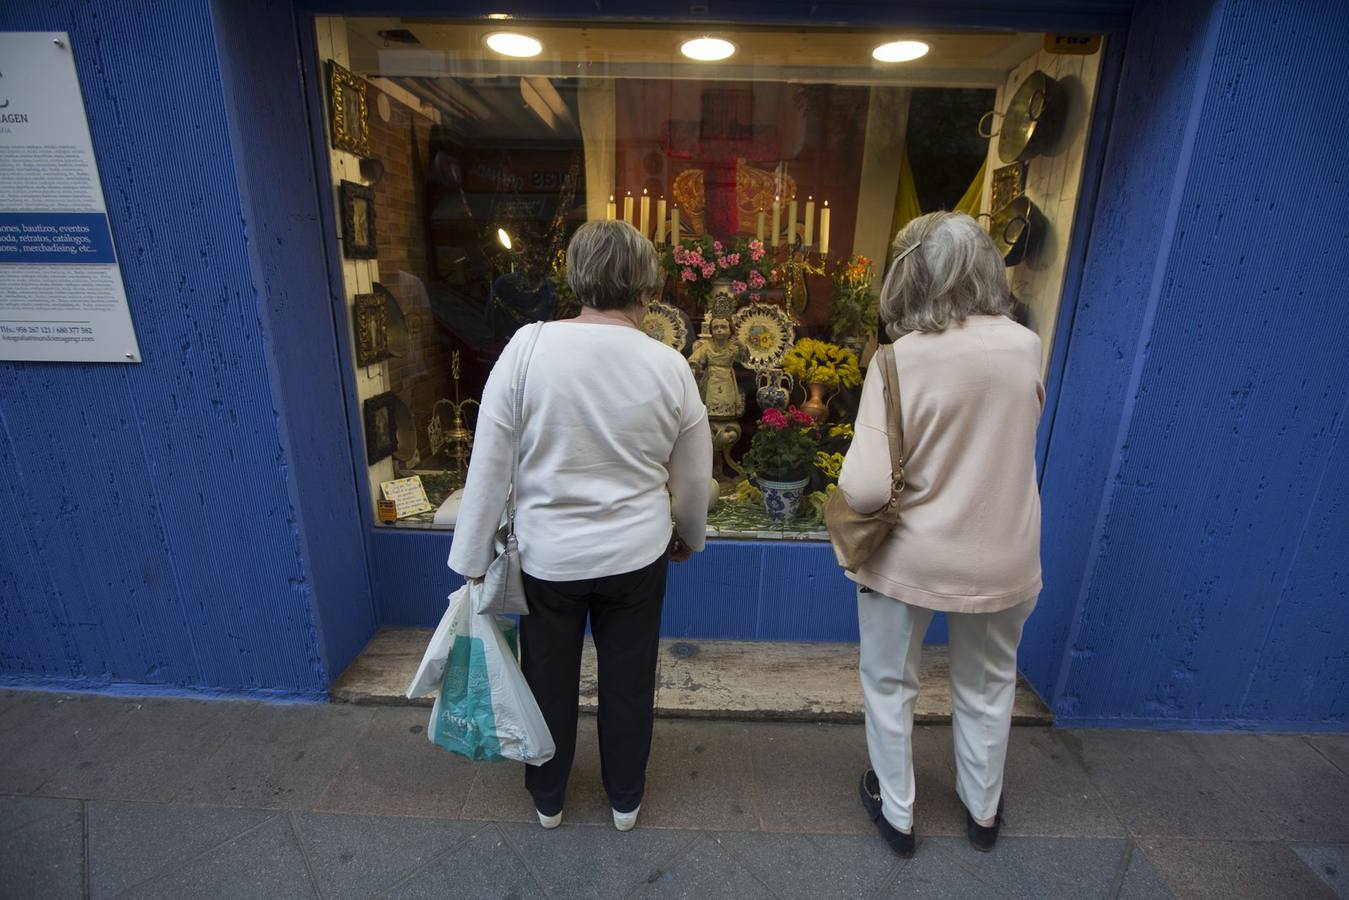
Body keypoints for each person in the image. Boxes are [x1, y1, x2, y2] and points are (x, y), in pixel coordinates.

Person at [449, 219, 713, 833]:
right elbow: (694, 480)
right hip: (637, 553)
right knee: (629, 677)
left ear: (577, 278)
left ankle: (549, 796)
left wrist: (470, 559)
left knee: (547, 678)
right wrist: (688, 536)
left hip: (547, 557)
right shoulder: (668, 364)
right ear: (644, 287)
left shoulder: (528, 346)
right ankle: (625, 798)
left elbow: (489, 460)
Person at [838, 211, 1044, 857]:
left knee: (890, 682)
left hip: (910, 559)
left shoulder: (899, 360)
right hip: (1006, 553)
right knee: (987, 684)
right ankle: (981, 810)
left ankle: (897, 813)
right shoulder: (1024, 346)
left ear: (911, 274)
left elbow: (867, 488)